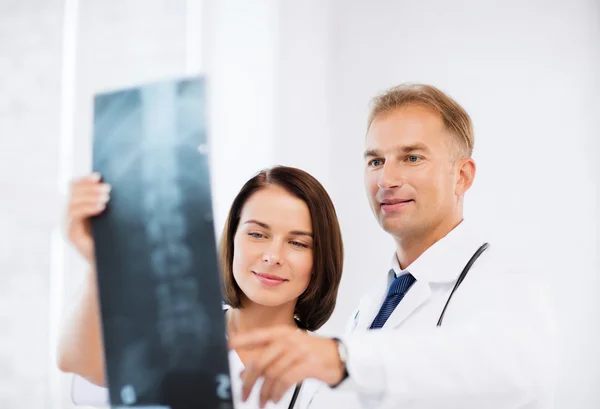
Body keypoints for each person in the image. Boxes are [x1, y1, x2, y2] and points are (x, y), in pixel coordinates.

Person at [229, 83, 559, 409]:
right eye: (375, 161)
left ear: (462, 176)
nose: (387, 180)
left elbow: (515, 369)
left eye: (412, 158)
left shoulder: (506, 280)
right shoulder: (371, 308)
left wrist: (343, 358)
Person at [57, 165, 344, 409]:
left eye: (297, 243)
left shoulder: (329, 370)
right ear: (232, 238)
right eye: (257, 234)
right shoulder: (173, 333)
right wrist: (99, 262)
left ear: (320, 259)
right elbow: (77, 361)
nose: (273, 256)